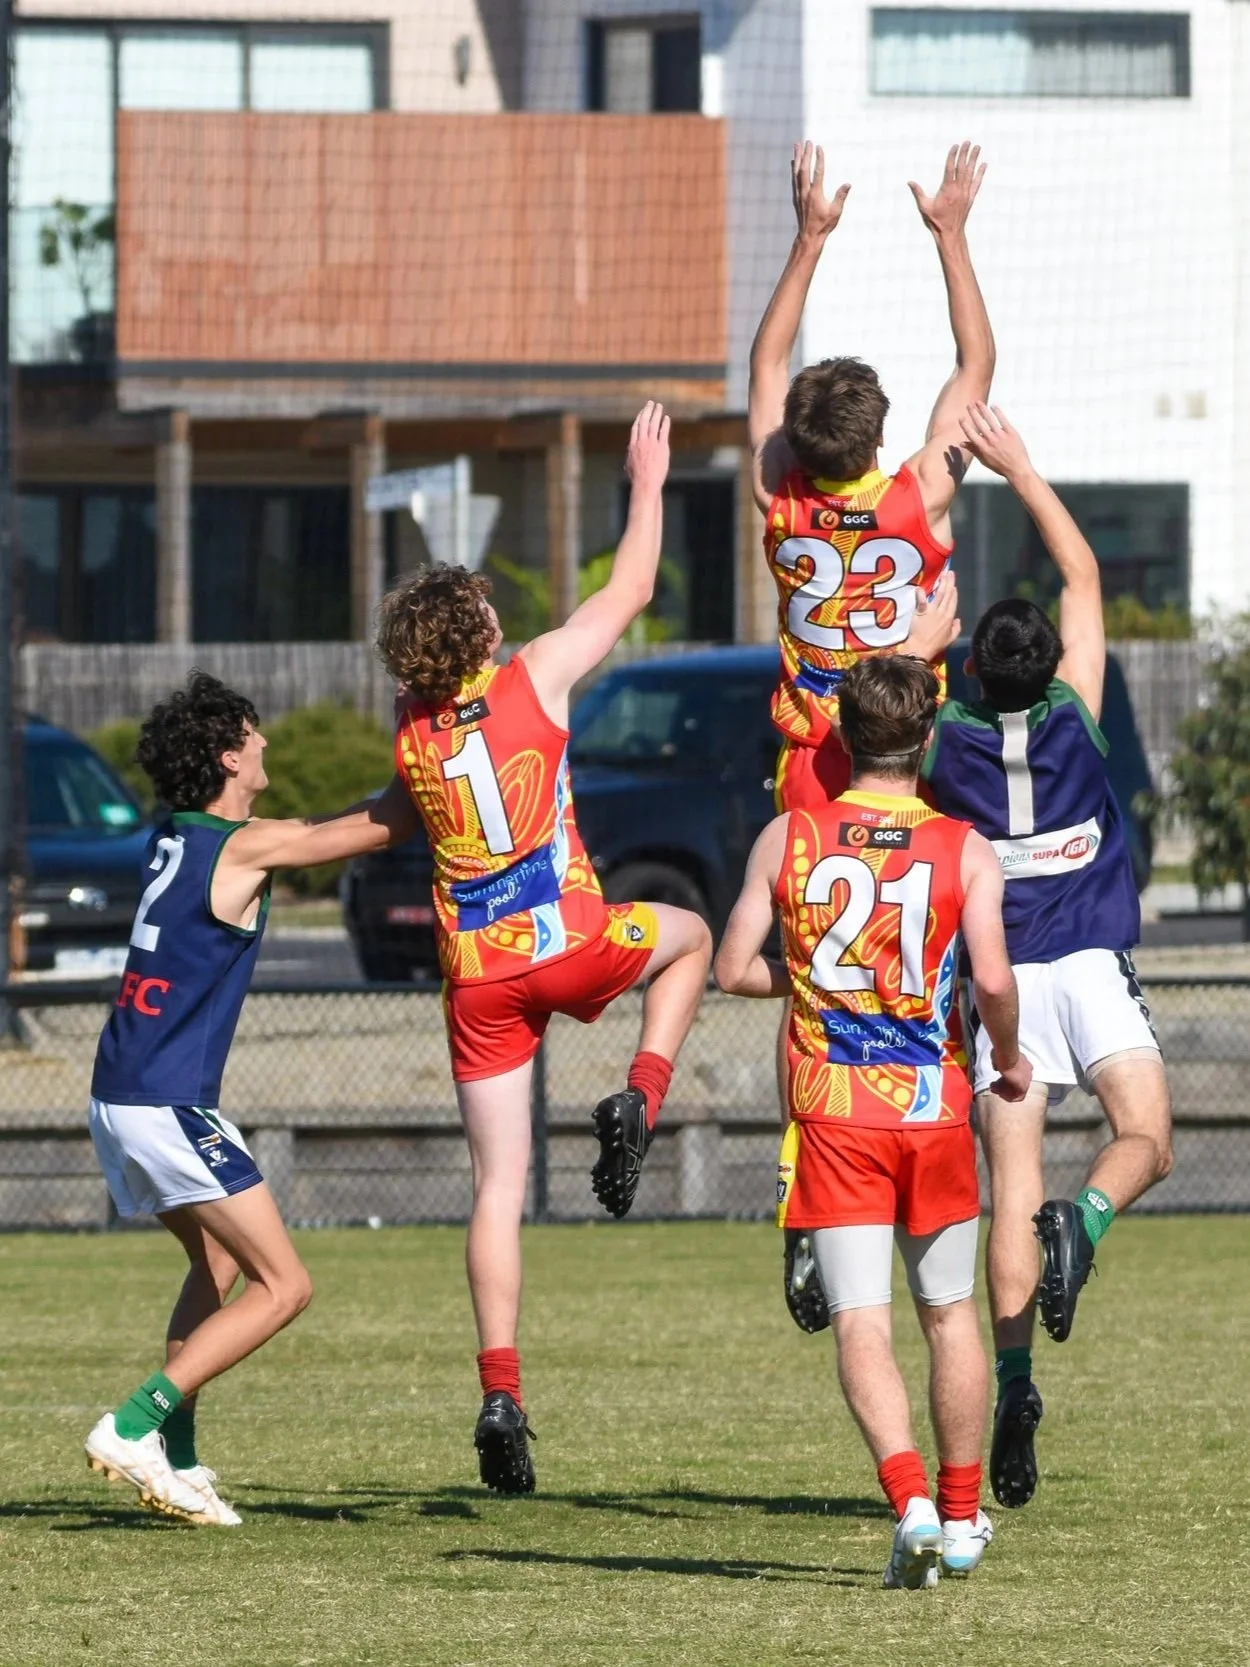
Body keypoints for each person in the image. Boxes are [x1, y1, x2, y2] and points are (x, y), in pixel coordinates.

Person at [379, 402, 712, 1497]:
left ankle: (499, 1388)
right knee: (691, 936)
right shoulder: (534, 680)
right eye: (483, 606)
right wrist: (647, 483)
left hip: (477, 980)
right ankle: (639, 1097)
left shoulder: (411, 732)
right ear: (479, 637)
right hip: (570, 939)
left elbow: (407, 756)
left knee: (495, 1185)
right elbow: (628, 589)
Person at [714, 656, 1031, 1589]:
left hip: (836, 1115)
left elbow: (734, 967)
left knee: (862, 1322)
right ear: (925, 736)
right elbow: (997, 981)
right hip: (931, 1108)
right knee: (950, 1313)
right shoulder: (963, 847)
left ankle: (912, 1503)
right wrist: (1007, 1059)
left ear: (842, 738)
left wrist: (805, 977)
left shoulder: (788, 836)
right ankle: (965, 1512)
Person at [85, 672, 419, 1524]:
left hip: (122, 1092)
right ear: (231, 755)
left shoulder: (180, 837)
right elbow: (386, 823)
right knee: (286, 1286)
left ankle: (178, 1456)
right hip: (164, 1100)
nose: (267, 740)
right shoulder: (243, 847)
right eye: (255, 732)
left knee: (219, 1264)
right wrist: (427, 720)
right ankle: (134, 1424)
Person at [922, 404, 1174, 1513]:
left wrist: (924, 638)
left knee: (1005, 1182)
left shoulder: (942, 737)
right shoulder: (1076, 712)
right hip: (1090, 963)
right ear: (1051, 663)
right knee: (1145, 1138)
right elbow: (1080, 571)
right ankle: (1090, 1218)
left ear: (973, 664)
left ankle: (1014, 1381)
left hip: (1004, 981)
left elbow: (883, 690)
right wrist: (1020, 468)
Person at [747, 138, 994, 816]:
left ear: (795, 440)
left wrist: (809, 239)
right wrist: (950, 236)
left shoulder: (779, 494)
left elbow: (767, 365)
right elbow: (975, 364)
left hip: (813, 752)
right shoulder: (922, 494)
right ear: (882, 433)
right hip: (908, 753)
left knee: (805, 916)